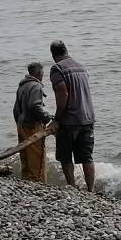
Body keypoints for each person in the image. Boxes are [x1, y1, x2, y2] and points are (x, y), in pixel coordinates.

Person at [49, 39, 96, 190]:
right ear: (66, 51)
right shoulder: (81, 67)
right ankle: (90, 189)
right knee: (87, 158)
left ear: (53, 54)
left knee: (65, 156)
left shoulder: (57, 68)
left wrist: (57, 119)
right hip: (87, 117)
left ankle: (72, 187)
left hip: (69, 120)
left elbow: (63, 93)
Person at [13, 61, 52, 183]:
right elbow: (35, 106)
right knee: (37, 161)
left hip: (21, 125)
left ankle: (26, 183)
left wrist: (19, 124)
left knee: (25, 159)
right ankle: (37, 184)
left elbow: (15, 110)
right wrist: (47, 117)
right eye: (43, 73)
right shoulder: (36, 86)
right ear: (39, 74)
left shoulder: (22, 86)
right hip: (33, 127)